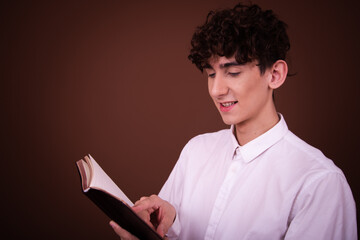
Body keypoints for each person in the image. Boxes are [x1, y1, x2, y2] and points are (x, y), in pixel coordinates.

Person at [110, 3, 357, 239]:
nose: (216, 89)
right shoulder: (196, 151)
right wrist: (167, 223)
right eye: (211, 74)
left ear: (275, 74)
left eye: (233, 72)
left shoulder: (319, 182)